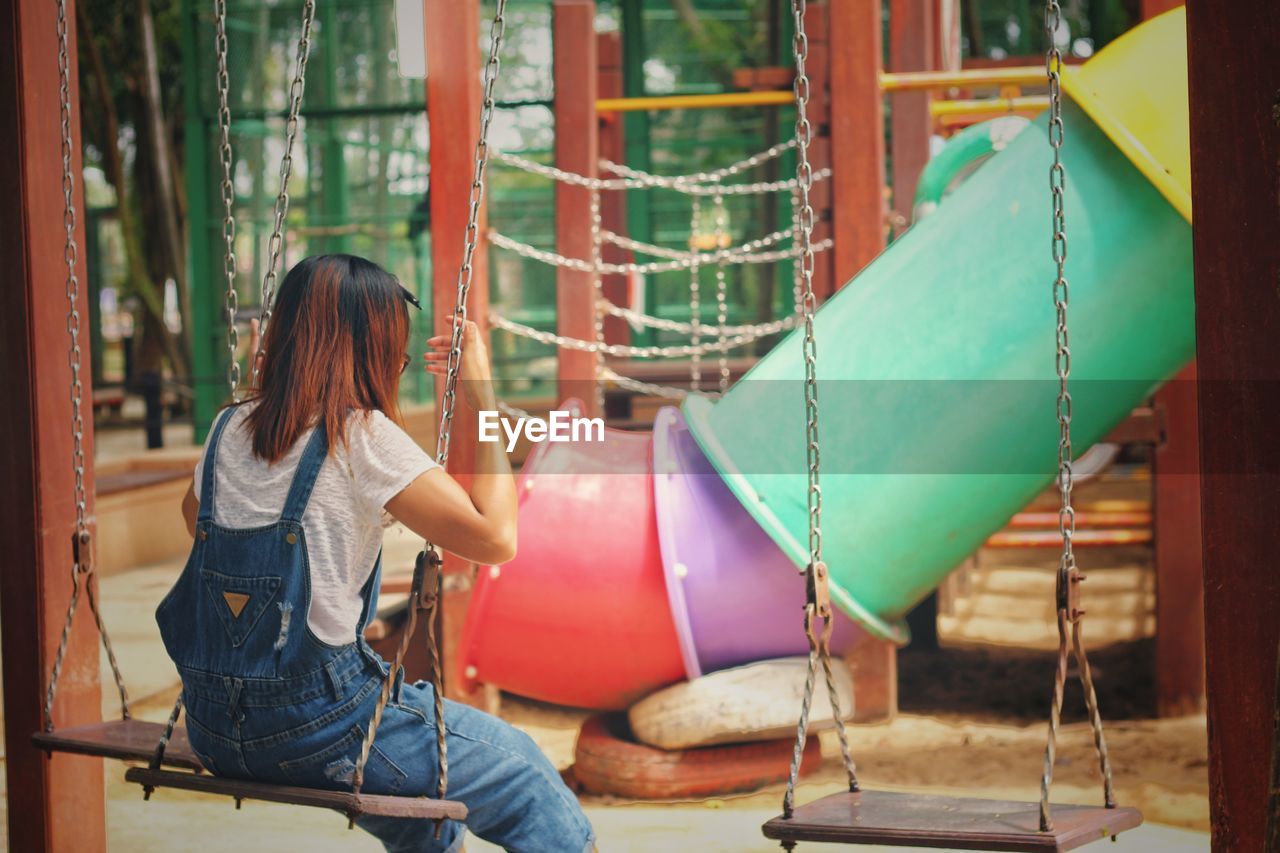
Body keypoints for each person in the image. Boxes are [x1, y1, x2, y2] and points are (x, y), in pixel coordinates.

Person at [158, 254, 595, 852]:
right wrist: (482, 397)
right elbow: (497, 538)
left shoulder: (228, 428)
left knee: (421, 818)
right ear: (374, 351)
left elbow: (197, 523)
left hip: (214, 727)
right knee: (521, 771)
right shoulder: (362, 438)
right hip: (324, 727)